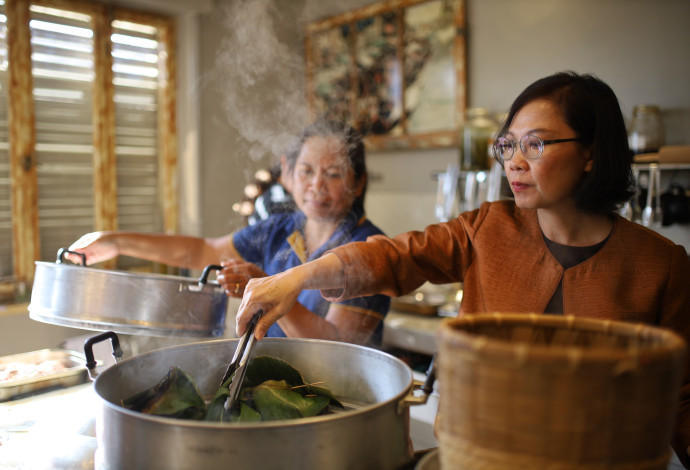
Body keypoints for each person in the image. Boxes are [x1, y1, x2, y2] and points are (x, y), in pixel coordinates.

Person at [234, 72, 690, 466]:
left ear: (591, 152)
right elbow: (396, 255)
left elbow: (681, 398)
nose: (514, 160)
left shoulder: (660, 265)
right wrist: (298, 277)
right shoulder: (488, 227)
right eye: (508, 144)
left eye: (536, 144)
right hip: (475, 454)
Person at [67, 118, 391, 347]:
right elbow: (200, 251)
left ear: (358, 182)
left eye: (333, 174)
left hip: (337, 402)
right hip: (273, 385)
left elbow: (337, 348)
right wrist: (116, 241)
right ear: (288, 174)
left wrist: (271, 289)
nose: (316, 186)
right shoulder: (280, 229)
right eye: (306, 171)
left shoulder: (369, 250)